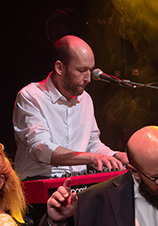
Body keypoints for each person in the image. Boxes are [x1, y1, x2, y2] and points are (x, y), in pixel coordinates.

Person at [13, 35, 128, 181]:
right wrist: (91, 158)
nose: (88, 78)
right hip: (38, 181)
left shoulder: (85, 99)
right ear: (60, 68)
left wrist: (115, 155)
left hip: (77, 182)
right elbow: (41, 149)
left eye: (90, 70)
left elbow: (92, 144)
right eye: (81, 70)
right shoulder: (31, 96)